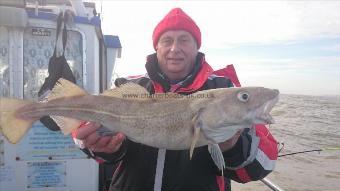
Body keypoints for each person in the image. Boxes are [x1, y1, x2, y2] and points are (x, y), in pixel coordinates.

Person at [72, 8, 278, 191]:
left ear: (197, 46)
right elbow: (99, 146)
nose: (174, 48)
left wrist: (232, 148)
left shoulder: (223, 88)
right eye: (167, 40)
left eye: (184, 40)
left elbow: (263, 165)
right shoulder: (130, 87)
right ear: (157, 47)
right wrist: (104, 149)